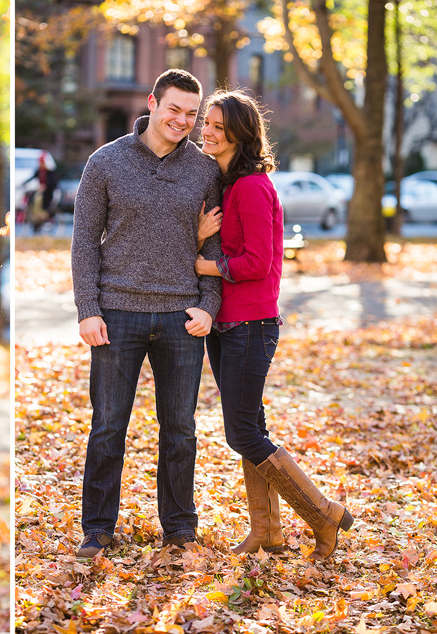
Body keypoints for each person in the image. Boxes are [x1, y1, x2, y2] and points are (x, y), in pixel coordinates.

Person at [71, 69, 223, 558]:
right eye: (174, 109)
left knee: (179, 429)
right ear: (153, 103)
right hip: (117, 314)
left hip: (182, 318)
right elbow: (83, 243)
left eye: (191, 114)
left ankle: (179, 529)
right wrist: (88, 309)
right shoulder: (106, 162)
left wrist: (207, 305)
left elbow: (214, 246)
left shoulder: (205, 171)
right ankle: (97, 529)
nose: (182, 120)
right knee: (109, 425)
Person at [195, 90, 353, 560]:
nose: (208, 131)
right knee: (251, 426)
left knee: (242, 432)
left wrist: (207, 266)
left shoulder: (252, 187)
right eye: (208, 122)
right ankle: (266, 531)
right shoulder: (226, 185)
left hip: (251, 324)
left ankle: (323, 514)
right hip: (228, 325)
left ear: (240, 135)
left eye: (219, 127)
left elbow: (260, 262)